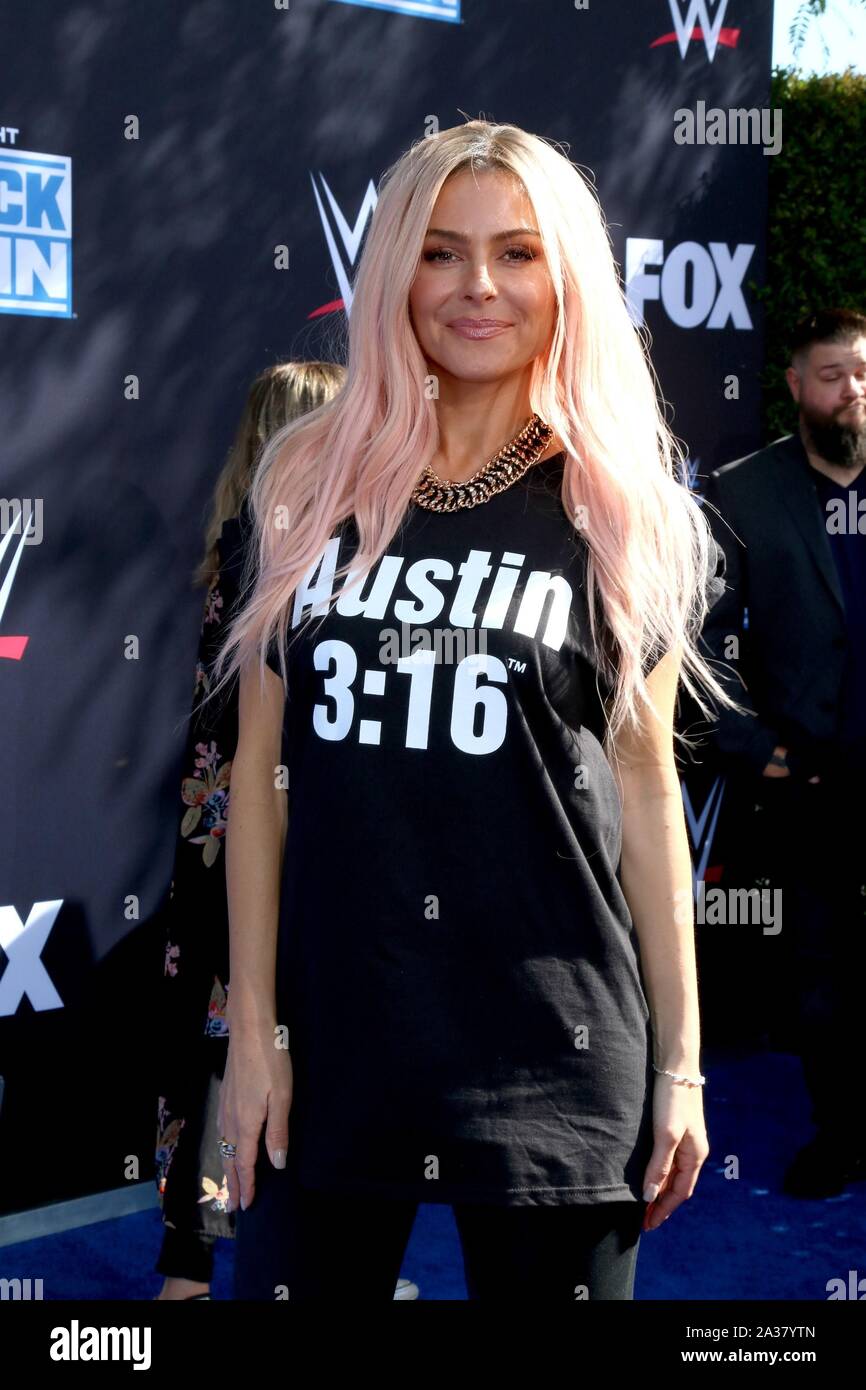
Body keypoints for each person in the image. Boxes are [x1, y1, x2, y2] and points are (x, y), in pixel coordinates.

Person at [207, 119, 734, 1302]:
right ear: (392, 271)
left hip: (556, 1045)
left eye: (516, 253)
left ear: (567, 280)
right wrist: (254, 1037)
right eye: (439, 253)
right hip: (335, 1041)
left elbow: (648, 791)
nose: (477, 287)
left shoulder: (623, 510)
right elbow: (257, 773)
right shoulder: (306, 479)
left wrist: (683, 1067)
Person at [153, 361, 346, 1300]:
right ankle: (274, 1266)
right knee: (268, 1042)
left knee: (214, 1042)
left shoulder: (237, 536)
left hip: (212, 841)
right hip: (266, 838)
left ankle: (188, 1264)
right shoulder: (294, 546)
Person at [699, 308, 866, 1200]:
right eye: (834, 373)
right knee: (820, 969)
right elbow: (696, 637)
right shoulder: (743, 492)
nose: (854, 390)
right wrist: (751, 744)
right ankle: (842, 1135)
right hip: (810, 778)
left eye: (865, 373)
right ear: (797, 386)